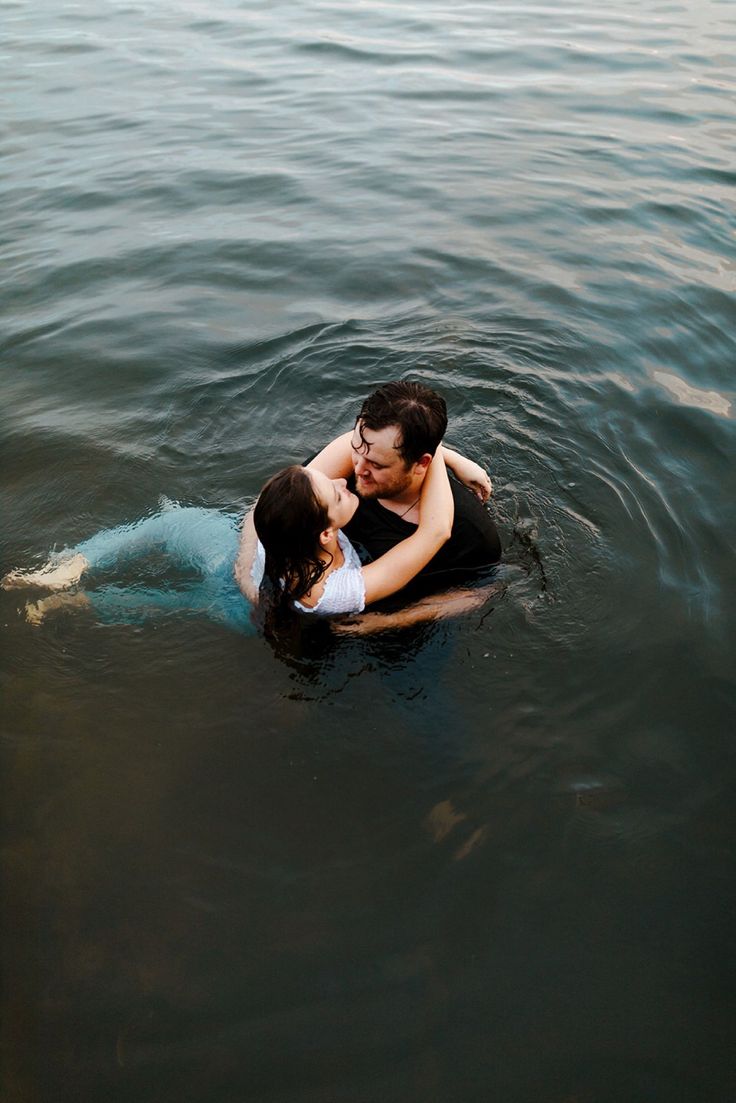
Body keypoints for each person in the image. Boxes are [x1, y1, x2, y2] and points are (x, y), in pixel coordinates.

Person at [1, 442, 458, 627]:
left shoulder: (285, 520)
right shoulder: (330, 592)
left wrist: (244, 562)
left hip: (240, 567)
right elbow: (435, 531)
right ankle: (73, 594)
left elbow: (260, 510)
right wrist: (431, 452)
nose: (344, 480)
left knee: (168, 525)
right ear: (325, 534)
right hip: (246, 607)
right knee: (164, 605)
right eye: (336, 494)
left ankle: (75, 572)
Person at [235, 380, 501, 608]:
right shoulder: (359, 452)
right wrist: (246, 575)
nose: (353, 472)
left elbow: (479, 592)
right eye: (356, 449)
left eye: (377, 464)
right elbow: (269, 506)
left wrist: (394, 621)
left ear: (422, 462)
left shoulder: (473, 536)